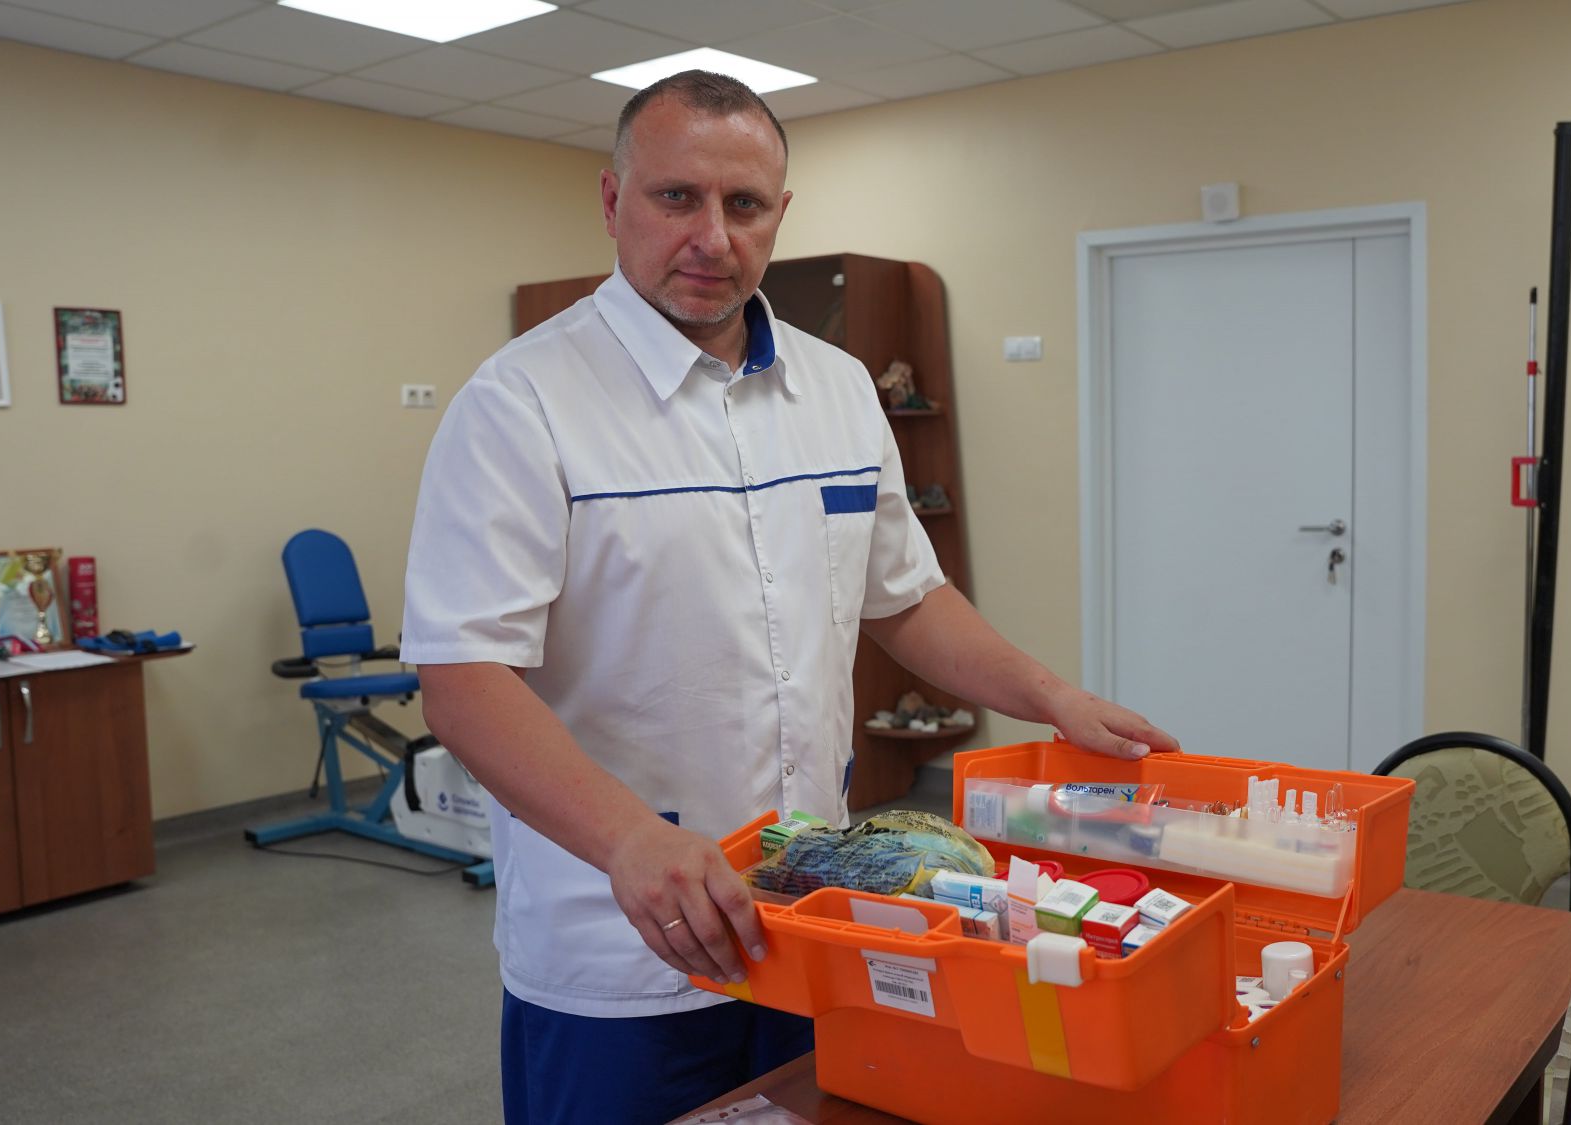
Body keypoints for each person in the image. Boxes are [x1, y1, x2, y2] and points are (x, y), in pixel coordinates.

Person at [402, 70, 1177, 1125]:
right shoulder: (520, 403)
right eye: (676, 197)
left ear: (780, 213)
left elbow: (904, 598)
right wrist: (630, 841)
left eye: (744, 204)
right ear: (613, 200)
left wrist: (1051, 696)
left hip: (814, 919)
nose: (711, 237)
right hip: (620, 947)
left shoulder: (837, 386)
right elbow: (462, 679)